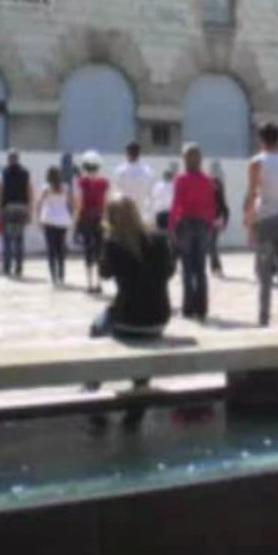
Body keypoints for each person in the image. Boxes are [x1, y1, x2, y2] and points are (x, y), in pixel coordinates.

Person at [86, 196, 177, 427]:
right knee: (139, 340)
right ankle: (139, 392)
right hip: (159, 317)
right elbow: (170, 271)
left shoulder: (114, 244)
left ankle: (93, 392)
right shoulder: (159, 239)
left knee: (96, 328)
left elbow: (104, 273)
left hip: (128, 319)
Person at [244, 122, 278, 327]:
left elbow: (252, 193)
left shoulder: (257, 162)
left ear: (261, 139)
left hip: (265, 220)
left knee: (264, 273)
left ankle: (264, 315)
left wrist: (250, 222)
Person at [169, 144, 216, 321]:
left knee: (187, 268)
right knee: (201, 268)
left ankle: (188, 307)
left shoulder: (181, 179)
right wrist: (209, 225)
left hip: (186, 224)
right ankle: (201, 307)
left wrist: (171, 226)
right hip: (202, 224)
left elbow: (176, 204)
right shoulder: (207, 180)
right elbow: (211, 206)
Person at [73, 150, 110, 294]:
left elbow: (79, 203)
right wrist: (106, 219)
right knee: (99, 250)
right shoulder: (104, 182)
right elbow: (106, 203)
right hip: (99, 218)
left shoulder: (81, 182)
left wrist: (76, 222)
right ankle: (99, 283)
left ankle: (89, 284)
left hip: (86, 218)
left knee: (88, 250)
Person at [0, 149, 34, 278]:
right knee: (19, 239)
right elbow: (29, 191)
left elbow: (0, 190)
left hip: (8, 208)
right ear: (18, 158)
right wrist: (29, 210)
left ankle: (7, 267)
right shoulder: (25, 172)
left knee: (7, 239)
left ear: (8, 159)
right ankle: (19, 268)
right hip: (21, 207)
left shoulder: (4, 172)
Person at [37, 165, 73, 286]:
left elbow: (39, 202)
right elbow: (69, 203)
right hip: (62, 220)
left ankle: (53, 277)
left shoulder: (45, 188)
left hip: (49, 219)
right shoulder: (65, 187)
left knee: (51, 250)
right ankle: (62, 276)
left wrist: (38, 217)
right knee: (60, 249)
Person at [114, 142, 156, 223]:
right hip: (141, 214)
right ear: (139, 154)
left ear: (126, 153)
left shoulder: (120, 171)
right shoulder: (148, 172)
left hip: (124, 213)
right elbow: (151, 195)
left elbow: (116, 193)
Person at [209, 161, 230, 277]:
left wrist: (225, 222)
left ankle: (217, 267)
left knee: (212, 244)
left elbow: (225, 208)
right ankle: (214, 267)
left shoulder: (219, 196)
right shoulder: (208, 192)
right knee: (211, 245)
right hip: (208, 219)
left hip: (214, 220)